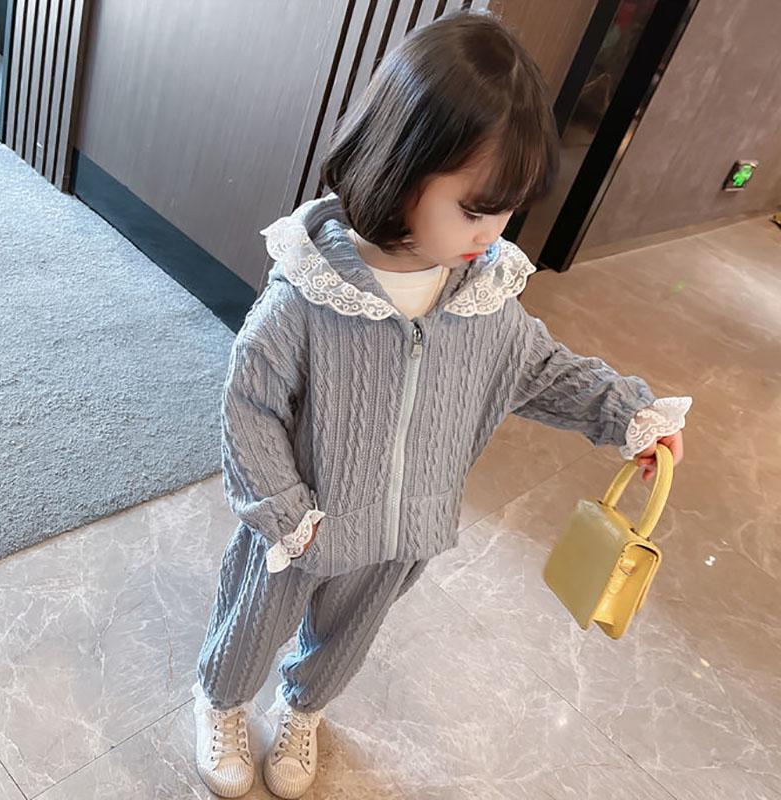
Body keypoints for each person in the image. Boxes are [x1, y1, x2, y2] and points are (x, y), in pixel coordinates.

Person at [191, 10, 691, 798]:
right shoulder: (310, 294)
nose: (494, 232)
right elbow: (249, 408)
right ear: (402, 168)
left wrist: (629, 413)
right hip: (303, 527)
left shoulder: (483, 298)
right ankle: (220, 702)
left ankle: (304, 708)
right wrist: (285, 514)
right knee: (254, 624)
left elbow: (541, 370)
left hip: (400, 531)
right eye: (476, 207)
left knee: (345, 642)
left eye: (508, 209)